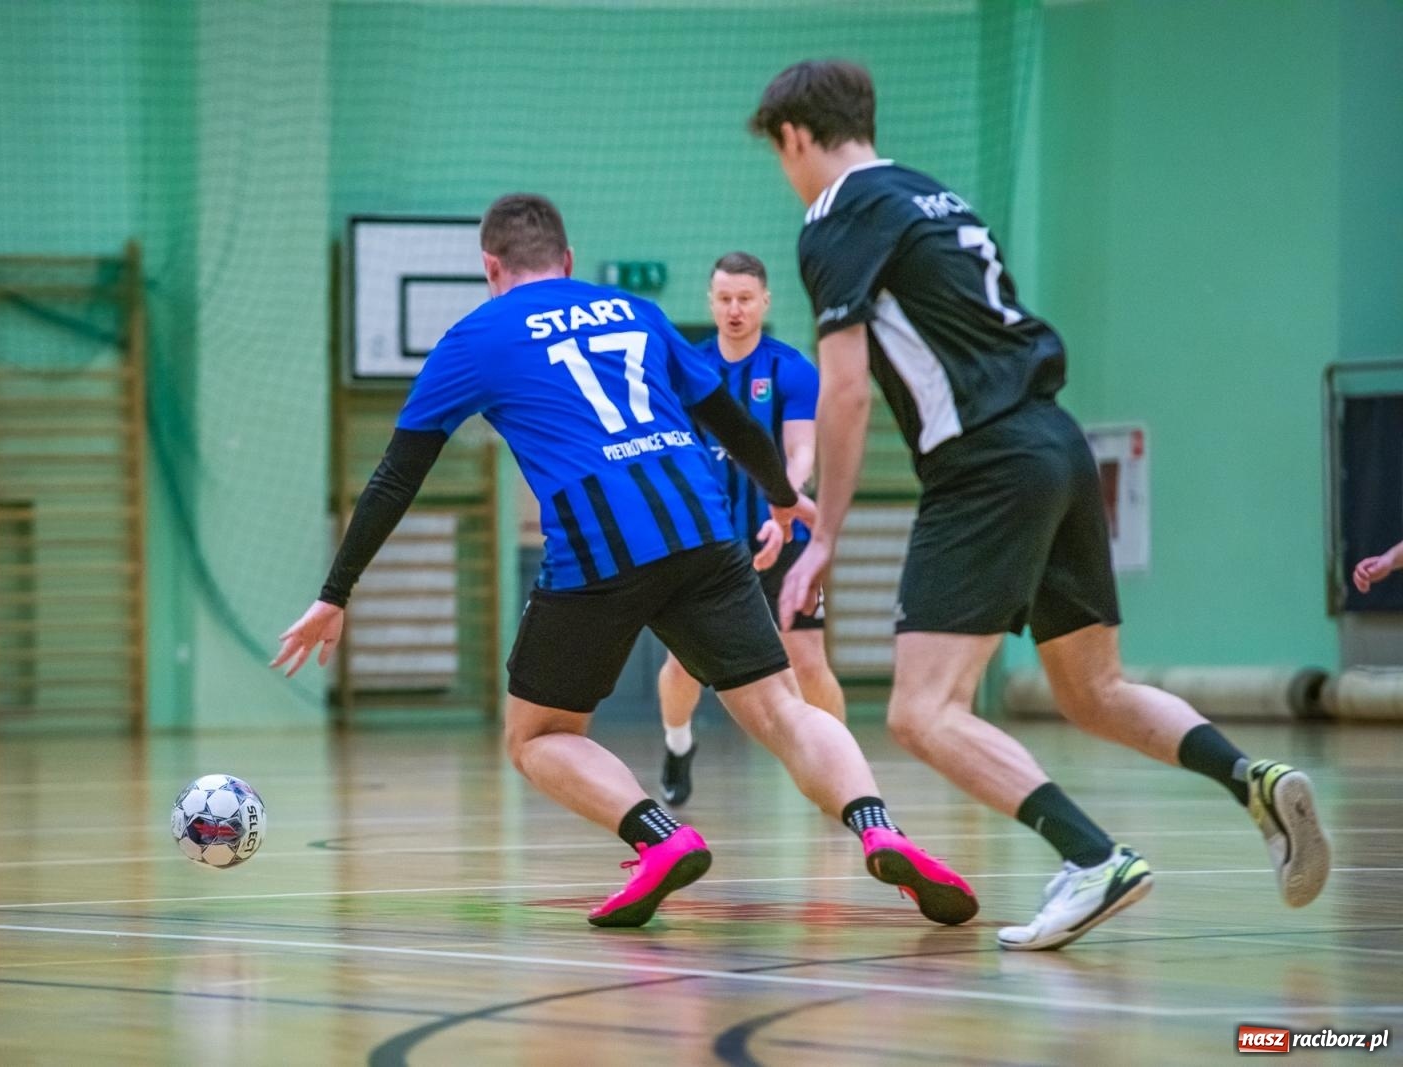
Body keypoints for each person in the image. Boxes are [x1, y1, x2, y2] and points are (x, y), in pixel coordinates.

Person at [273, 193, 977, 929]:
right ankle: (877, 826)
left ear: (490, 266)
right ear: (568, 261)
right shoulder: (630, 310)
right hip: (704, 528)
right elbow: (729, 419)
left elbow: (395, 475)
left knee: (539, 734)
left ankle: (660, 837)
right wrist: (777, 495)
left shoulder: (476, 336)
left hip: (598, 550)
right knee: (782, 710)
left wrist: (335, 591)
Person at [749, 60, 1330, 950]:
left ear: (795, 136)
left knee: (921, 711)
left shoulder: (833, 217)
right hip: (1058, 441)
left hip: (983, 465)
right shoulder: (936, 199)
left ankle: (1090, 856)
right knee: (1094, 688)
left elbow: (848, 389)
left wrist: (824, 530)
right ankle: (1251, 776)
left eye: (778, 155)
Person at [657, 251, 846, 807]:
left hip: (784, 532)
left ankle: (841, 773)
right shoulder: (683, 370)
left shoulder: (790, 369)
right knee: (683, 665)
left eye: (745, 298)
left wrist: (782, 504)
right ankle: (677, 742)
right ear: (710, 302)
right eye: (724, 299)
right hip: (709, 541)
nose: (734, 309)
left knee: (809, 661)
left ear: (765, 301)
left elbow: (802, 447)